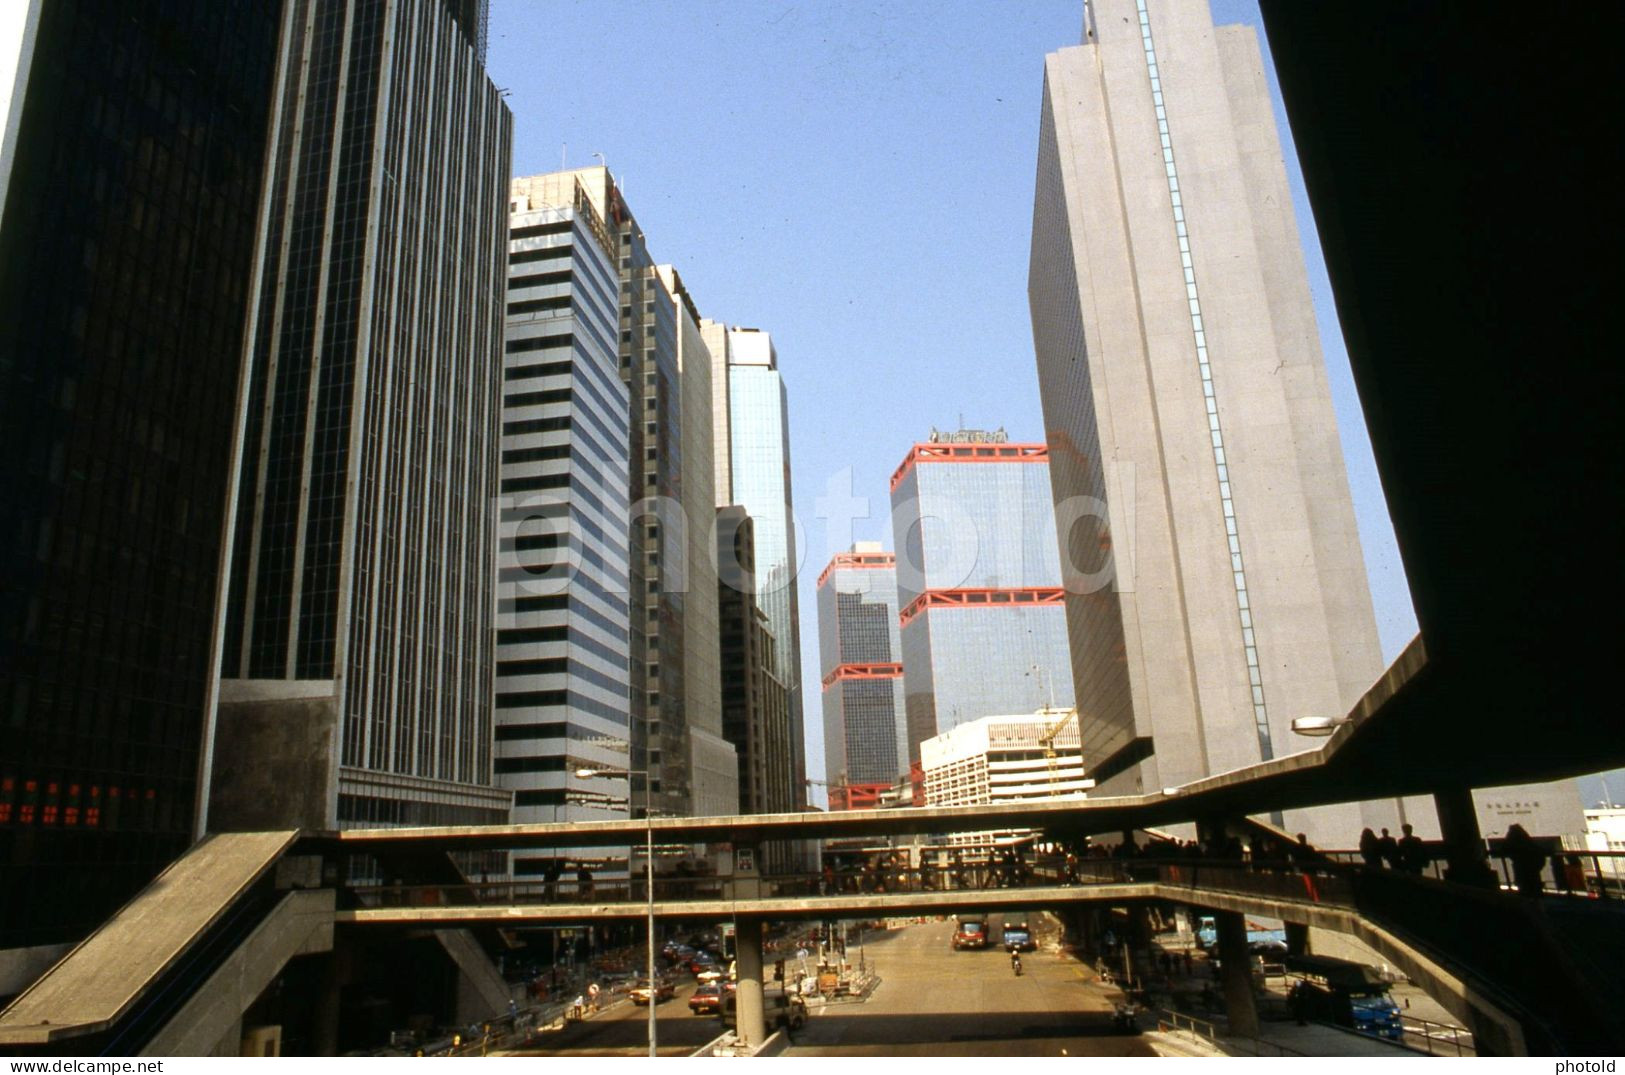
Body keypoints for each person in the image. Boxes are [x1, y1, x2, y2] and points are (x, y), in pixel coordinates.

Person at [1503, 823, 1547, 897]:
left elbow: (1504, 848)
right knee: (1534, 890)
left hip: (1522, 869)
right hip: (1532, 871)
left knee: (1525, 890)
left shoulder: (1514, 842)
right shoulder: (1528, 842)